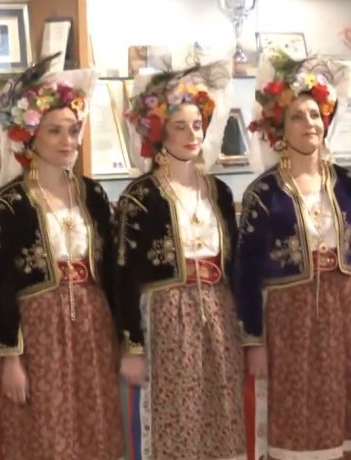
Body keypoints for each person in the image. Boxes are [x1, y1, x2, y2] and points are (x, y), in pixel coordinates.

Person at [236, 52, 351, 460]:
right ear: (280, 127)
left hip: (346, 311)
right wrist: (254, 340)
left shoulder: (347, 184)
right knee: (300, 415)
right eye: (298, 117)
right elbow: (246, 271)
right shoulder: (263, 192)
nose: (310, 124)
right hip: (291, 318)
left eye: (316, 115)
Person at [0, 54, 123, 460]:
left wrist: (126, 339)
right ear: (30, 136)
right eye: (54, 131)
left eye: (73, 130)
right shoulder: (9, 203)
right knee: (45, 428)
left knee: (94, 424)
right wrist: (11, 357)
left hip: (92, 323)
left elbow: (112, 271)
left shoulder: (92, 194)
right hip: (38, 328)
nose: (67, 141)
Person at [115, 61, 246, 460]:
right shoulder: (141, 196)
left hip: (218, 310)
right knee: (176, 415)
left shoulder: (219, 191)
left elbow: (236, 263)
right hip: (167, 316)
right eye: (180, 126)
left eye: (197, 125)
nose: (192, 135)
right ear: (159, 133)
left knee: (222, 411)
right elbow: (123, 276)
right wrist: (132, 346)